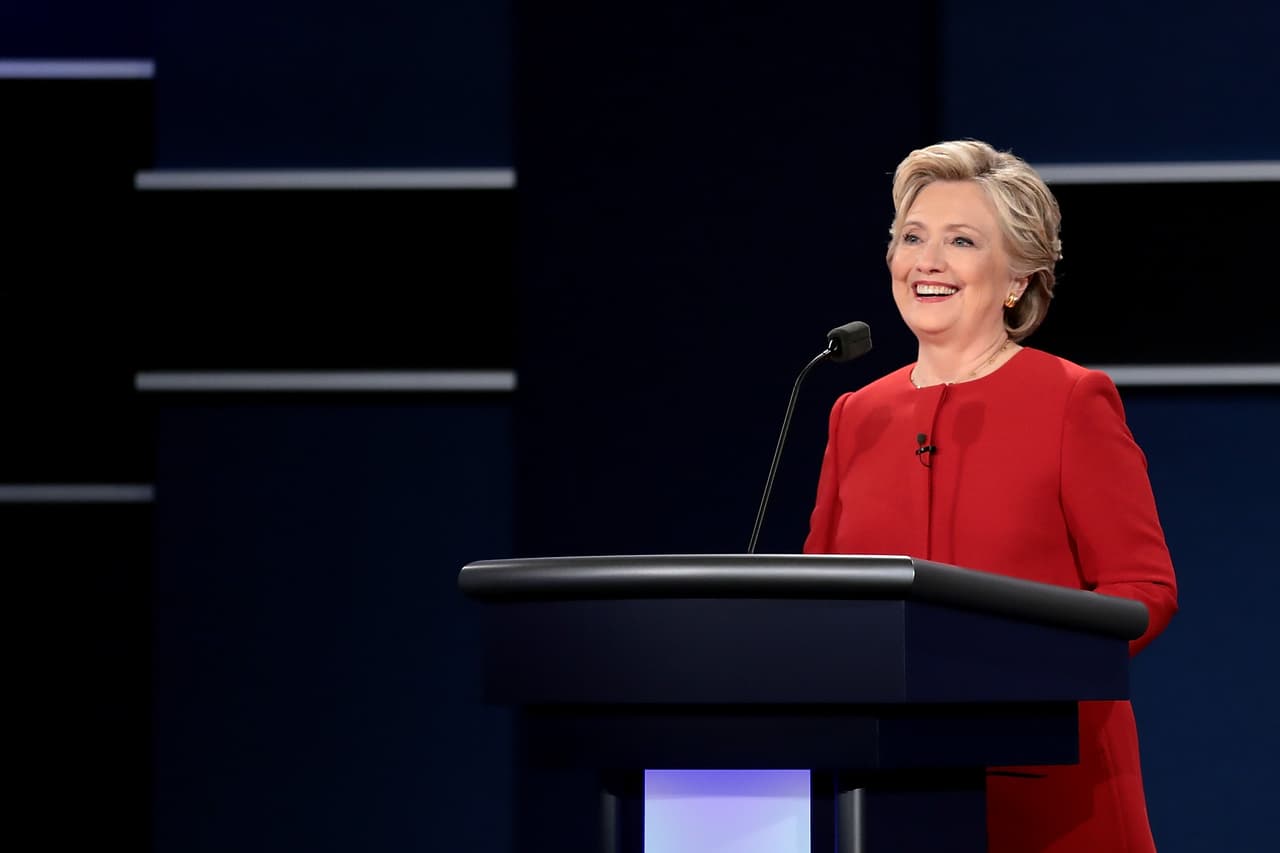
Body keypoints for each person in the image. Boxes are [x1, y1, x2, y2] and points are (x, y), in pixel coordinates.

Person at [803, 139, 1178, 853]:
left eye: (962, 240)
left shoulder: (1071, 399)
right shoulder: (855, 413)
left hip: (1052, 793)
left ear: (1016, 278)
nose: (928, 260)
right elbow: (819, 591)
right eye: (912, 237)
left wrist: (1029, 667)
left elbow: (1144, 588)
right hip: (888, 791)